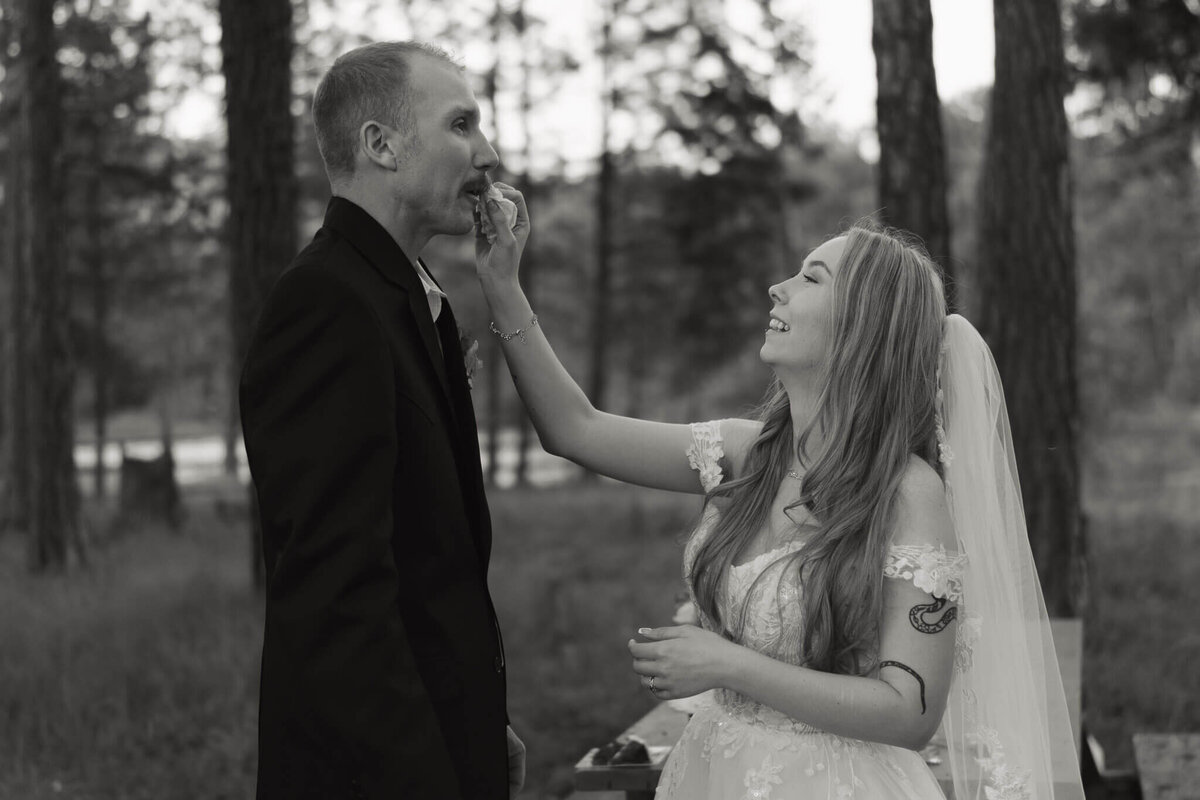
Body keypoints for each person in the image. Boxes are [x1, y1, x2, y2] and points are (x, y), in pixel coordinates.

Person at [474, 191, 1083, 799]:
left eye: (810, 277)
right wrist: (503, 282)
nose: (777, 287)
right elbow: (575, 431)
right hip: (709, 774)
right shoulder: (744, 454)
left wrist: (725, 665)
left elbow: (909, 710)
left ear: (862, 325)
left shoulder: (907, 494)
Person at [239, 42, 524, 800]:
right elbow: (337, 604)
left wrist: (472, 722)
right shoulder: (326, 307)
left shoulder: (408, 298)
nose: (488, 154)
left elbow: (423, 559)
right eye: (461, 124)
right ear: (381, 145)